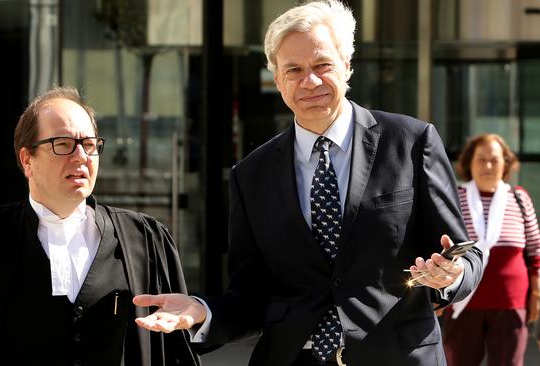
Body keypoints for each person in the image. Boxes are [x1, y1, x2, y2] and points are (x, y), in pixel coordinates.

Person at [132, 1, 483, 365]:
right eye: (294, 69)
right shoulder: (251, 174)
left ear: (347, 66)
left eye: (322, 65)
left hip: (398, 356)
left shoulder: (411, 141)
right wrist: (202, 311)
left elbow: (465, 252)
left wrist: (451, 275)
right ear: (277, 78)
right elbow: (251, 295)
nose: (309, 81)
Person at [0, 86, 200, 366]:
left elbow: (177, 350)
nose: (81, 156)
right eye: (63, 144)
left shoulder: (144, 240)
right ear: (27, 160)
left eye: (90, 145)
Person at [442, 134, 540, 366]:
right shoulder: (455, 197)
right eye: (481, 159)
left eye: (494, 160)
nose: (487, 165)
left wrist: (536, 295)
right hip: (462, 302)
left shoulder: (519, 198)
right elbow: (439, 245)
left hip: (511, 303)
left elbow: (535, 251)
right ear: (468, 162)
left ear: (506, 163)